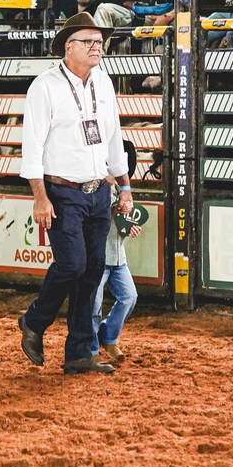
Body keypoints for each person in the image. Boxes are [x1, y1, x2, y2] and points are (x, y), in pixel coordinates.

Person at [16, 12, 133, 375]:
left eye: (100, 42)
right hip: (62, 190)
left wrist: (125, 185)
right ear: (69, 47)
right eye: (89, 41)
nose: (97, 47)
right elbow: (32, 146)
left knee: (93, 269)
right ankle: (34, 320)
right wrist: (40, 197)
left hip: (98, 190)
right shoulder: (45, 86)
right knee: (73, 264)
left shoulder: (104, 81)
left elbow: (113, 137)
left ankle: (80, 353)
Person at [91, 142, 142, 365]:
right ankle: (93, 347)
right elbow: (94, 214)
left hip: (117, 255)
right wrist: (118, 212)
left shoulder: (122, 191)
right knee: (94, 304)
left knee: (129, 297)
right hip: (101, 255)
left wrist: (129, 227)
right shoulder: (96, 186)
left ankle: (107, 336)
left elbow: (122, 222)